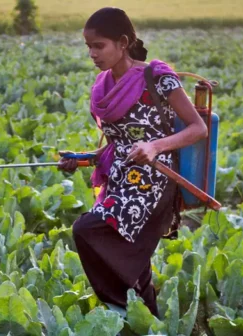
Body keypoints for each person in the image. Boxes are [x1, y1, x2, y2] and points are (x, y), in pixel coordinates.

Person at [58, 7, 208, 317]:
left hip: (155, 182)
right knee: (138, 271)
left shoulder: (157, 78)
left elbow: (198, 129)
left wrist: (155, 147)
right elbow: (117, 143)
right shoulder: (103, 86)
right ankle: (147, 320)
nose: (92, 54)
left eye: (99, 46)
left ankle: (120, 309)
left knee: (87, 229)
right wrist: (84, 159)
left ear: (123, 43)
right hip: (120, 180)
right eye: (88, 46)